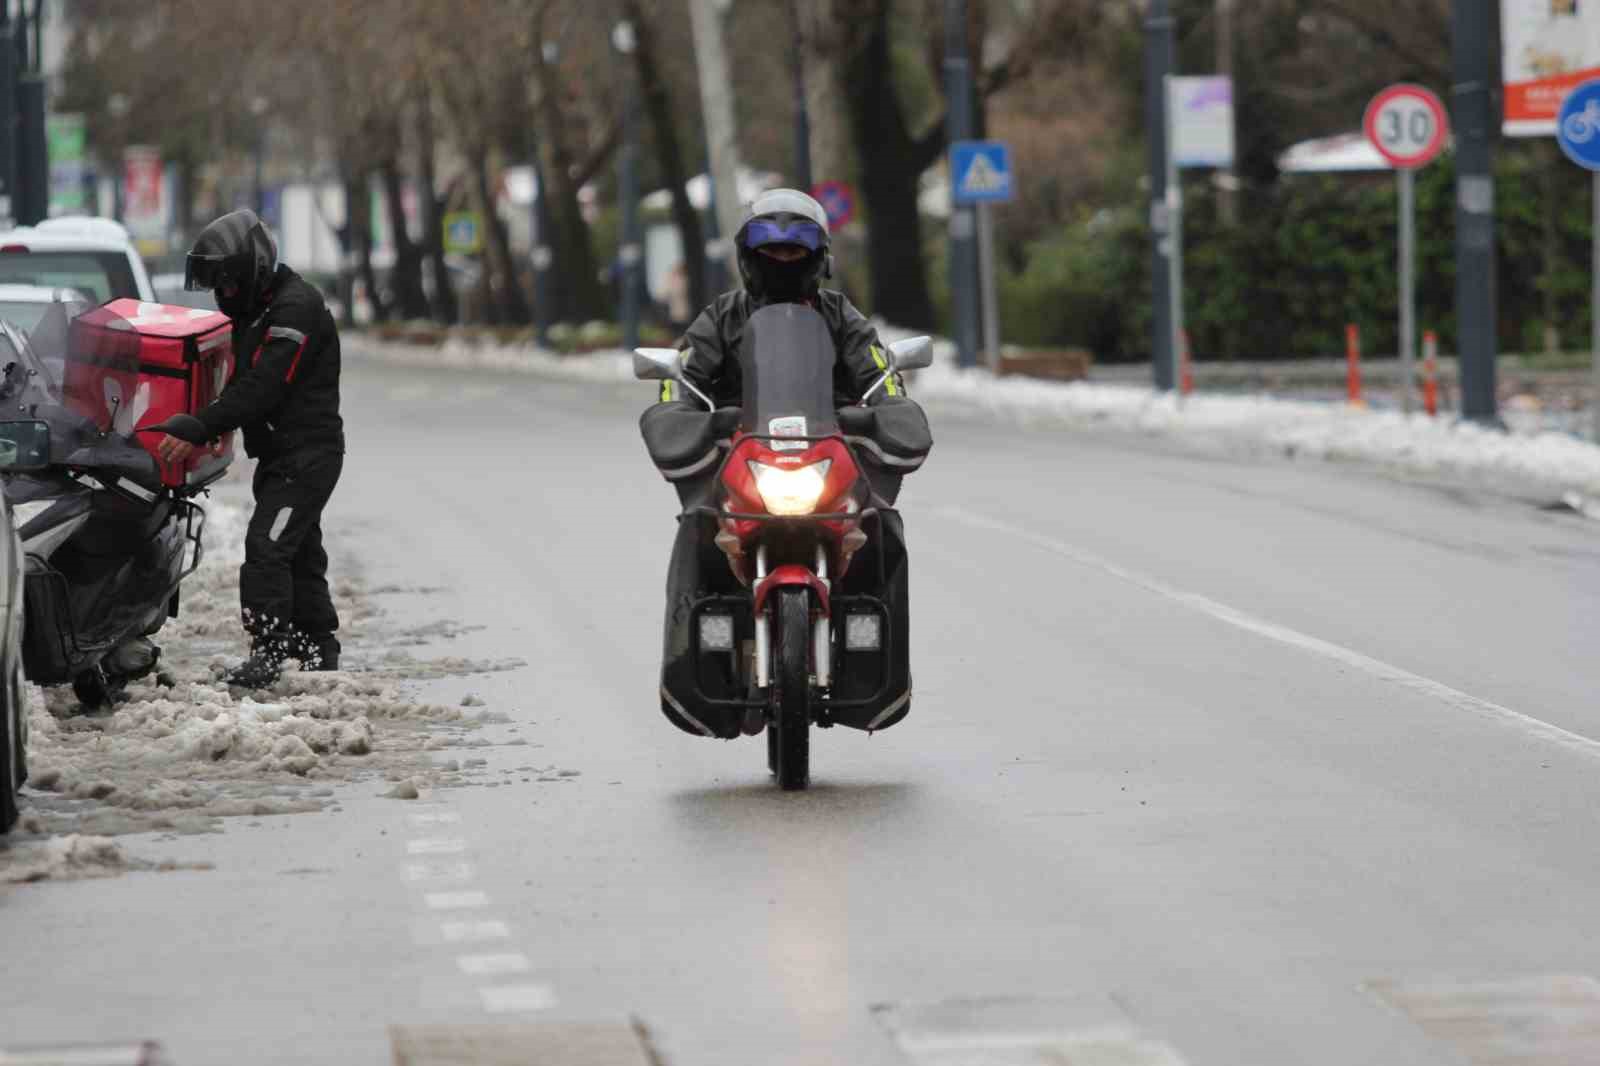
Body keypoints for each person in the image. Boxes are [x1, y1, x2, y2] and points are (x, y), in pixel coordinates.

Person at [641, 188, 929, 738]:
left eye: (795, 254)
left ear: (818, 259)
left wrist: (890, 409)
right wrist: (684, 414)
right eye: (771, 254)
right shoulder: (719, 318)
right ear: (749, 259)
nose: (782, 264)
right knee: (697, 527)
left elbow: (881, 379)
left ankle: (881, 672)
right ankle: (693, 669)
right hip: (742, 463)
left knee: (880, 523)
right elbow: (677, 384)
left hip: (825, 457)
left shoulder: (843, 318)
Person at [152, 209, 346, 689]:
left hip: (307, 457)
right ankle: (317, 645)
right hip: (283, 455)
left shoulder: (295, 309)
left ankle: (269, 650)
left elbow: (264, 386)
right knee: (298, 548)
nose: (222, 295)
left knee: (267, 546)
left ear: (253, 271)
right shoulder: (256, 310)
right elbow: (239, 381)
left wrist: (201, 425)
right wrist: (216, 420)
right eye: (215, 284)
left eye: (227, 283)